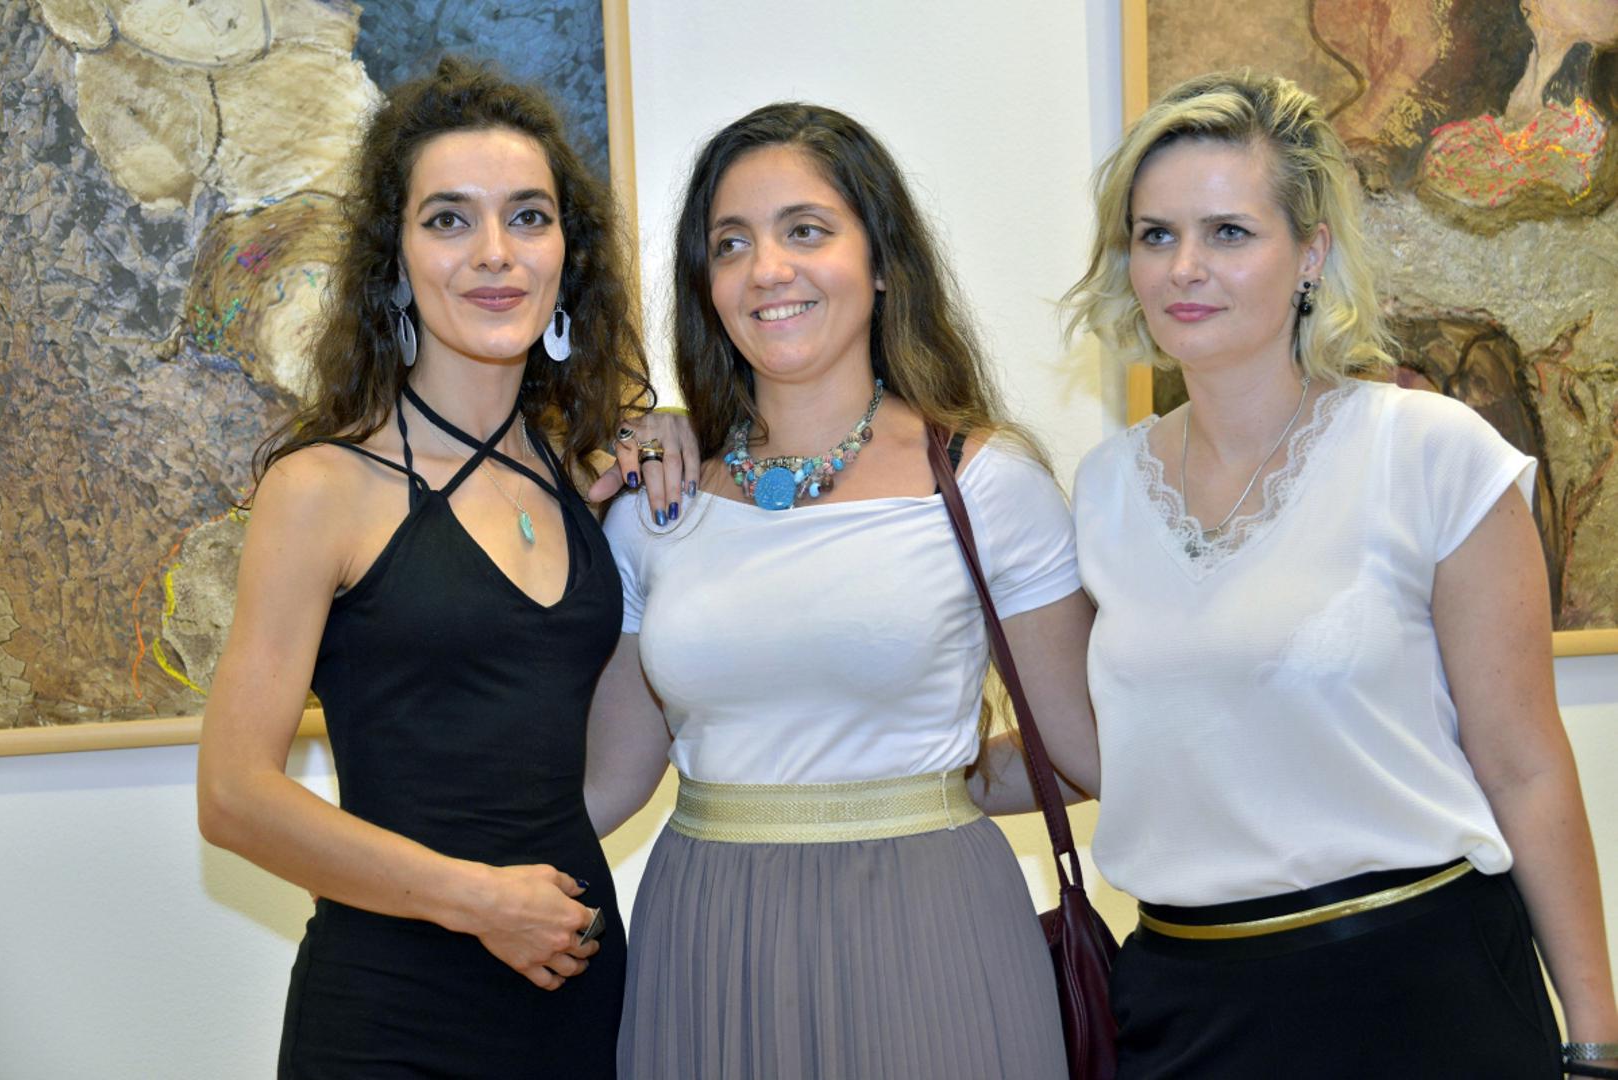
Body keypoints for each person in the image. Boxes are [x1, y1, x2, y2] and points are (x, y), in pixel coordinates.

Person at [1065, 70, 1618, 1078]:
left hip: (1422, 997)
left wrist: (1595, 1044)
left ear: (1311, 253)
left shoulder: (1430, 451)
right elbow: (1120, 741)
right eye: (1155, 235)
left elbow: (1526, 768)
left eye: (1229, 233)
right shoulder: (1102, 490)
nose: (1185, 267)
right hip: (1182, 1009)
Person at [196, 58, 696, 1077]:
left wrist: (677, 448)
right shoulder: (322, 487)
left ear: (567, 256)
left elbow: (609, 764)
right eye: (449, 219)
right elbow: (234, 796)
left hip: (575, 998)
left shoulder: (585, 474)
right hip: (390, 1016)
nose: (495, 252)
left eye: (528, 217)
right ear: (395, 258)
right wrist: (479, 900)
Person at [582, 102, 1101, 1079]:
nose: (767, 268)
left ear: (882, 261)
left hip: (932, 932)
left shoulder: (986, 482)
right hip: (708, 941)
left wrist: (936, 779)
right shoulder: (655, 502)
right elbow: (605, 784)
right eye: (731, 243)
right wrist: (422, 871)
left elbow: (1084, 752)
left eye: (806, 230)